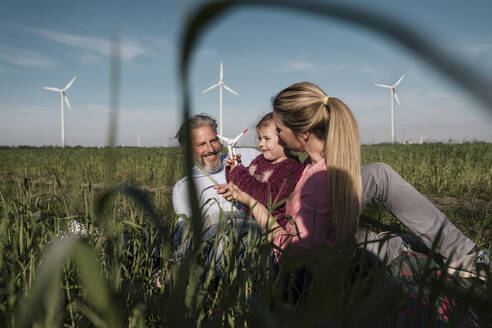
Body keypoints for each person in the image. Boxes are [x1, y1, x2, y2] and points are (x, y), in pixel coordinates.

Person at [214, 82, 489, 280]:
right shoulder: (319, 164)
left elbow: (294, 254)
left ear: (305, 132)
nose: (278, 137)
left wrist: (249, 199)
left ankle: (439, 254)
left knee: (374, 233)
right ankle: (430, 249)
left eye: (280, 130)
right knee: (381, 225)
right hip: (334, 241)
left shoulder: (315, 180)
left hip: (313, 259)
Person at [225, 113, 304, 227]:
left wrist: (238, 171)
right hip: (247, 214)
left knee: (231, 227)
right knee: (217, 219)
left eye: (267, 138)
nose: (261, 144)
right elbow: (240, 183)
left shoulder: (292, 168)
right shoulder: (260, 160)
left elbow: (268, 197)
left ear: (286, 139)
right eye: (260, 138)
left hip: (269, 224)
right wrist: (231, 168)